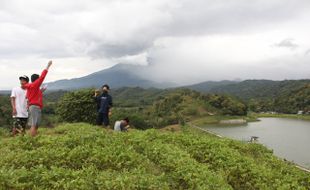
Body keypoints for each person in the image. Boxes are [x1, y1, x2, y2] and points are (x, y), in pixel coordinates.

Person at [23, 61, 53, 137]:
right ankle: (32, 140)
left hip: (32, 107)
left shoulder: (31, 87)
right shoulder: (35, 84)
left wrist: (41, 90)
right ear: (37, 80)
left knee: (35, 124)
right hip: (35, 107)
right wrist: (48, 66)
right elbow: (43, 76)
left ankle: (31, 139)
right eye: (38, 79)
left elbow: (30, 96)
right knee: (34, 124)